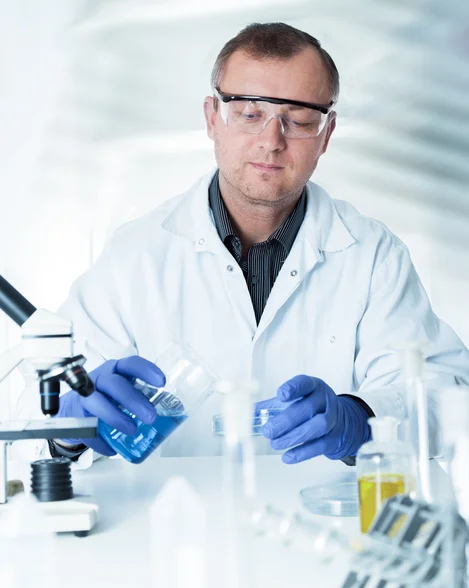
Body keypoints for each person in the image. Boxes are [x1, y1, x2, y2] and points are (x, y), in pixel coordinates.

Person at [14, 22, 469, 469]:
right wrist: (66, 429)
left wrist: (362, 418)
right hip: (168, 532)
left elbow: (443, 391)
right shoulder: (135, 255)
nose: (271, 141)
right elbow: (28, 416)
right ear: (213, 119)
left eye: (300, 119)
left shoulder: (372, 255)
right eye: (250, 114)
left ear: (326, 135)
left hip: (330, 528)